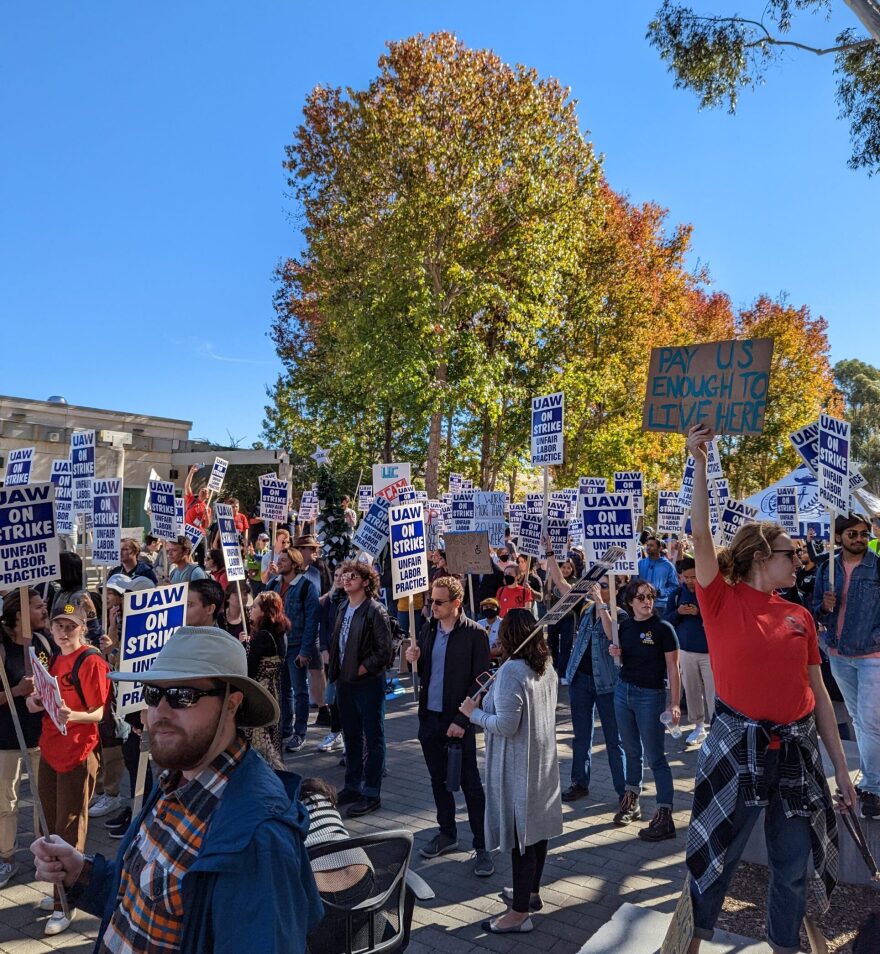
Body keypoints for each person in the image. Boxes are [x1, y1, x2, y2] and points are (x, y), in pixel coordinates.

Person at [31, 625, 324, 952]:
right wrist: (81, 872)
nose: (161, 713)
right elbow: (145, 898)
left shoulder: (257, 838)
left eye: (183, 696)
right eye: (154, 694)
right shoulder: (178, 777)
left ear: (232, 703)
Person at [684, 423, 855, 954]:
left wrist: (840, 770)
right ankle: (690, 943)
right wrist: (698, 462)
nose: (797, 559)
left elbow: (818, 696)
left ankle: (785, 946)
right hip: (736, 749)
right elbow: (703, 536)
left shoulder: (800, 614)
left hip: (797, 754)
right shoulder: (720, 599)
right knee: (716, 860)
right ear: (761, 556)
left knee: (791, 866)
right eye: (788, 552)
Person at [459, 609, 562, 933]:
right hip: (542, 762)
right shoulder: (544, 667)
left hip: (520, 765)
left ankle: (519, 914)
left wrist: (473, 713)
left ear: (507, 637)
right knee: (538, 831)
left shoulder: (511, 672)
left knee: (523, 839)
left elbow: (505, 725)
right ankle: (529, 894)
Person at [26, 596, 111, 936]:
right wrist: (36, 702)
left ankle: (67, 901)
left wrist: (71, 715)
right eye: (59, 625)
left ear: (82, 629)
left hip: (78, 751)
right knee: (47, 825)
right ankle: (57, 892)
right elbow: (47, 702)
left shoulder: (91, 661)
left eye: (70, 627)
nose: (63, 632)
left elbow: (99, 713)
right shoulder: (54, 658)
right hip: (50, 749)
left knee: (69, 829)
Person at [406, 575, 494, 876]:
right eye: (431, 600)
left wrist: (462, 719)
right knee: (437, 779)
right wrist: (411, 658)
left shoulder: (475, 634)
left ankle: (482, 846)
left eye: (439, 602)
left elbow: (482, 681)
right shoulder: (428, 629)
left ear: (457, 603)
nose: (432, 605)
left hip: (457, 720)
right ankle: (447, 833)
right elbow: (423, 669)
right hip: (429, 717)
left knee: (470, 784)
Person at [812, 512, 880, 820]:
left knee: (869, 721)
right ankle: (871, 780)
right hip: (839, 654)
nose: (859, 539)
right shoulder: (827, 567)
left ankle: (873, 787)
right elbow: (816, 612)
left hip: (871, 655)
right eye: (852, 534)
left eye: (863, 534)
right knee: (858, 719)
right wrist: (824, 607)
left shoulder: (877, 567)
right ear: (839, 536)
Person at [605, 578, 681, 840]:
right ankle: (631, 800)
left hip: (651, 696)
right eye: (641, 597)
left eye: (650, 596)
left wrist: (674, 703)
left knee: (655, 757)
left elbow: (673, 668)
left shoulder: (663, 628)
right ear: (630, 602)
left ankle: (664, 813)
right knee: (631, 749)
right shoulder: (624, 627)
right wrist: (616, 652)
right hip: (623, 691)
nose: (647, 601)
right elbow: (622, 654)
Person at [327, 561, 393, 818]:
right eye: (344, 576)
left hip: (366, 683)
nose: (346, 579)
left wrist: (362, 669)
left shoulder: (375, 611)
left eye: (353, 576)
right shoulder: (344, 606)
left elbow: (384, 651)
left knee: (373, 737)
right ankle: (352, 786)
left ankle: (372, 792)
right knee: (351, 735)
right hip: (345, 682)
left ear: (366, 582)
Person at [0, 589, 52, 890]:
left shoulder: (44, 642)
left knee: (42, 799)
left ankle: (40, 853)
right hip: (6, 738)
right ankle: (6, 857)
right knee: (6, 802)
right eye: (37, 606)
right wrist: (17, 692)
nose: (45, 610)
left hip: (40, 736)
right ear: (20, 615)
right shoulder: (2, 648)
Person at [563, 579, 627, 804]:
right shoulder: (586, 608)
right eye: (597, 584)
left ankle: (624, 791)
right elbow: (563, 586)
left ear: (617, 589)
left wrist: (601, 601)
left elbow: (612, 635)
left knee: (614, 740)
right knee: (581, 736)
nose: (598, 588)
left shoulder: (621, 615)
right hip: (580, 680)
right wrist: (550, 552)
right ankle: (579, 782)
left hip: (607, 685)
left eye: (605, 585)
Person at [266, 547, 320, 752]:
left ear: (295, 563)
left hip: (296, 646)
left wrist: (305, 651)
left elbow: (312, 622)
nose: (279, 563)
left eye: (283, 561)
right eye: (279, 560)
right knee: (283, 691)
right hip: (278, 646)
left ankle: (300, 733)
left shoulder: (306, 587)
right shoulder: (273, 584)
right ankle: (285, 728)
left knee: (300, 692)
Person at [665, 557, 714, 746]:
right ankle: (698, 726)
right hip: (685, 651)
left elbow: (719, 617)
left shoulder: (709, 593)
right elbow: (667, 620)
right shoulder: (676, 594)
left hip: (709, 652)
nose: (690, 581)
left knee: (713, 692)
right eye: (686, 577)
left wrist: (699, 613)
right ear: (680, 576)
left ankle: (716, 727)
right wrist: (679, 612)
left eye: (694, 576)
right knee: (692, 691)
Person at [246, 591, 288, 768]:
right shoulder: (280, 634)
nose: (250, 609)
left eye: (255, 606)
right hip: (274, 692)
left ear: (264, 611)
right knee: (273, 737)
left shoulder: (262, 636)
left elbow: (249, 669)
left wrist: (245, 648)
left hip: (259, 695)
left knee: (260, 739)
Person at [316, 565, 346, 753]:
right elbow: (324, 625)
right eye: (335, 575)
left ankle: (347, 733)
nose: (338, 578)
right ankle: (335, 732)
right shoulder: (330, 600)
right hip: (331, 654)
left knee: (345, 696)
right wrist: (324, 648)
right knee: (332, 695)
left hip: (347, 655)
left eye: (342, 575)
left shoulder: (351, 599)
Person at [637, 536, 679, 612]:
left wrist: (660, 592)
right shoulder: (640, 564)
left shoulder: (668, 566)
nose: (648, 548)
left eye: (652, 545)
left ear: (660, 548)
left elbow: (674, 587)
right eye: (648, 545)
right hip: (641, 604)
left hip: (660, 605)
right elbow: (634, 583)